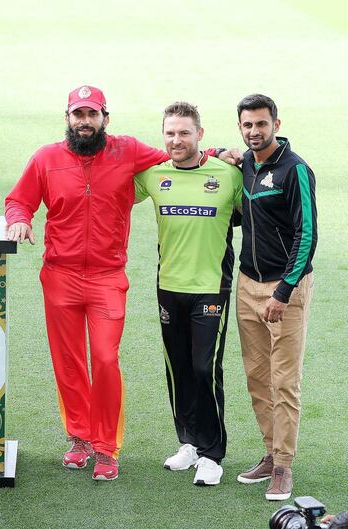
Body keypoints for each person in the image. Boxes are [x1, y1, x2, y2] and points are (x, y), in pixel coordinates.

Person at [5, 84, 240, 481]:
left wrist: (216, 152)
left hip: (107, 278)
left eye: (91, 114)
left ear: (104, 119)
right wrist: (19, 219)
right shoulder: (46, 158)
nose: (84, 122)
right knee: (69, 362)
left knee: (106, 358)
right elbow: (19, 199)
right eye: (77, 114)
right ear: (68, 119)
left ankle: (106, 447)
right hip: (59, 276)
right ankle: (79, 439)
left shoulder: (127, 150)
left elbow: (177, 152)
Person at [134, 102, 242, 486]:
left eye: (184, 132)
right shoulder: (152, 175)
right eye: (170, 133)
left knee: (204, 368)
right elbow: (114, 191)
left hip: (211, 288)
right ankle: (190, 443)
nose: (176, 140)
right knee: (178, 369)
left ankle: (212, 454)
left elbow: (260, 209)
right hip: (169, 288)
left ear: (200, 134)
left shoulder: (229, 174)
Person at [233, 94, 317, 501]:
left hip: (284, 290)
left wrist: (284, 292)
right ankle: (269, 453)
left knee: (284, 382)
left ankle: (283, 466)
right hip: (246, 285)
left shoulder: (295, 169)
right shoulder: (246, 162)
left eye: (261, 124)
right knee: (257, 378)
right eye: (247, 125)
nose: (254, 132)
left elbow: (308, 236)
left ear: (276, 125)